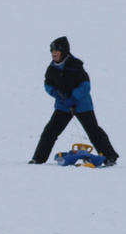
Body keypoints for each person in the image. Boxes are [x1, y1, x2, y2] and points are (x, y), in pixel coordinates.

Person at [30, 36, 118, 166]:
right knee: (50, 131)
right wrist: (55, 93)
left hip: (83, 105)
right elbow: (48, 85)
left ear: (64, 51)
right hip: (63, 105)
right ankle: (38, 159)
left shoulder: (76, 65)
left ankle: (109, 157)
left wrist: (74, 98)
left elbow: (86, 85)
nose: (53, 53)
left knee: (94, 131)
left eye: (56, 50)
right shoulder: (51, 69)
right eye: (52, 50)